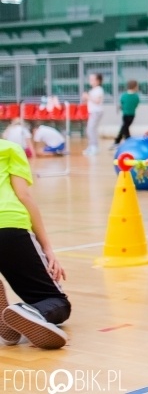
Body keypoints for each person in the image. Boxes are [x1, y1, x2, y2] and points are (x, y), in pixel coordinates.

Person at [0, 140, 70, 349]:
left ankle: (10, 323)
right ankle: (30, 312)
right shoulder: (8, 148)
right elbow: (24, 196)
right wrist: (47, 248)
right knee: (56, 302)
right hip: (8, 226)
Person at [111, 80, 140, 149]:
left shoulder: (124, 96)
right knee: (124, 127)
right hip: (132, 115)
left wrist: (123, 108)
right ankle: (123, 141)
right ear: (135, 87)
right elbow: (136, 105)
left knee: (124, 127)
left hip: (125, 115)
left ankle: (124, 141)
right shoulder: (136, 96)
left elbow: (122, 104)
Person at [81, 73, 104, 156]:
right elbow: (89, 101)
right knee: (90, 129)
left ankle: (94, 147)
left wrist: (88, 97)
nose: (90, 81)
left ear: (98, 81)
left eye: (92, 79)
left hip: (97, 112)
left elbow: (97, 101)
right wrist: (85, 98)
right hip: (92, 111)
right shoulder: (92, 90)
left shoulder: (99, 89)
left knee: (91, 129)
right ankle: (92, 146)